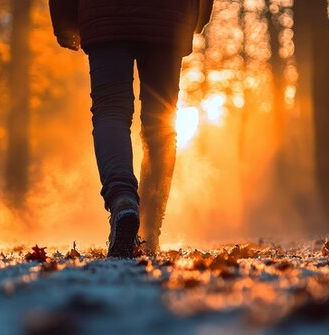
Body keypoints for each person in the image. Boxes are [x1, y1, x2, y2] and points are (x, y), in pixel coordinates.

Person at [50, 0, 214, 257]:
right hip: (169, 16)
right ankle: (149, 232)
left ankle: (122, 201)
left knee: (111, 109)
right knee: (160, 121)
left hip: (105, 15)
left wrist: (65, 19)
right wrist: (198, 14)